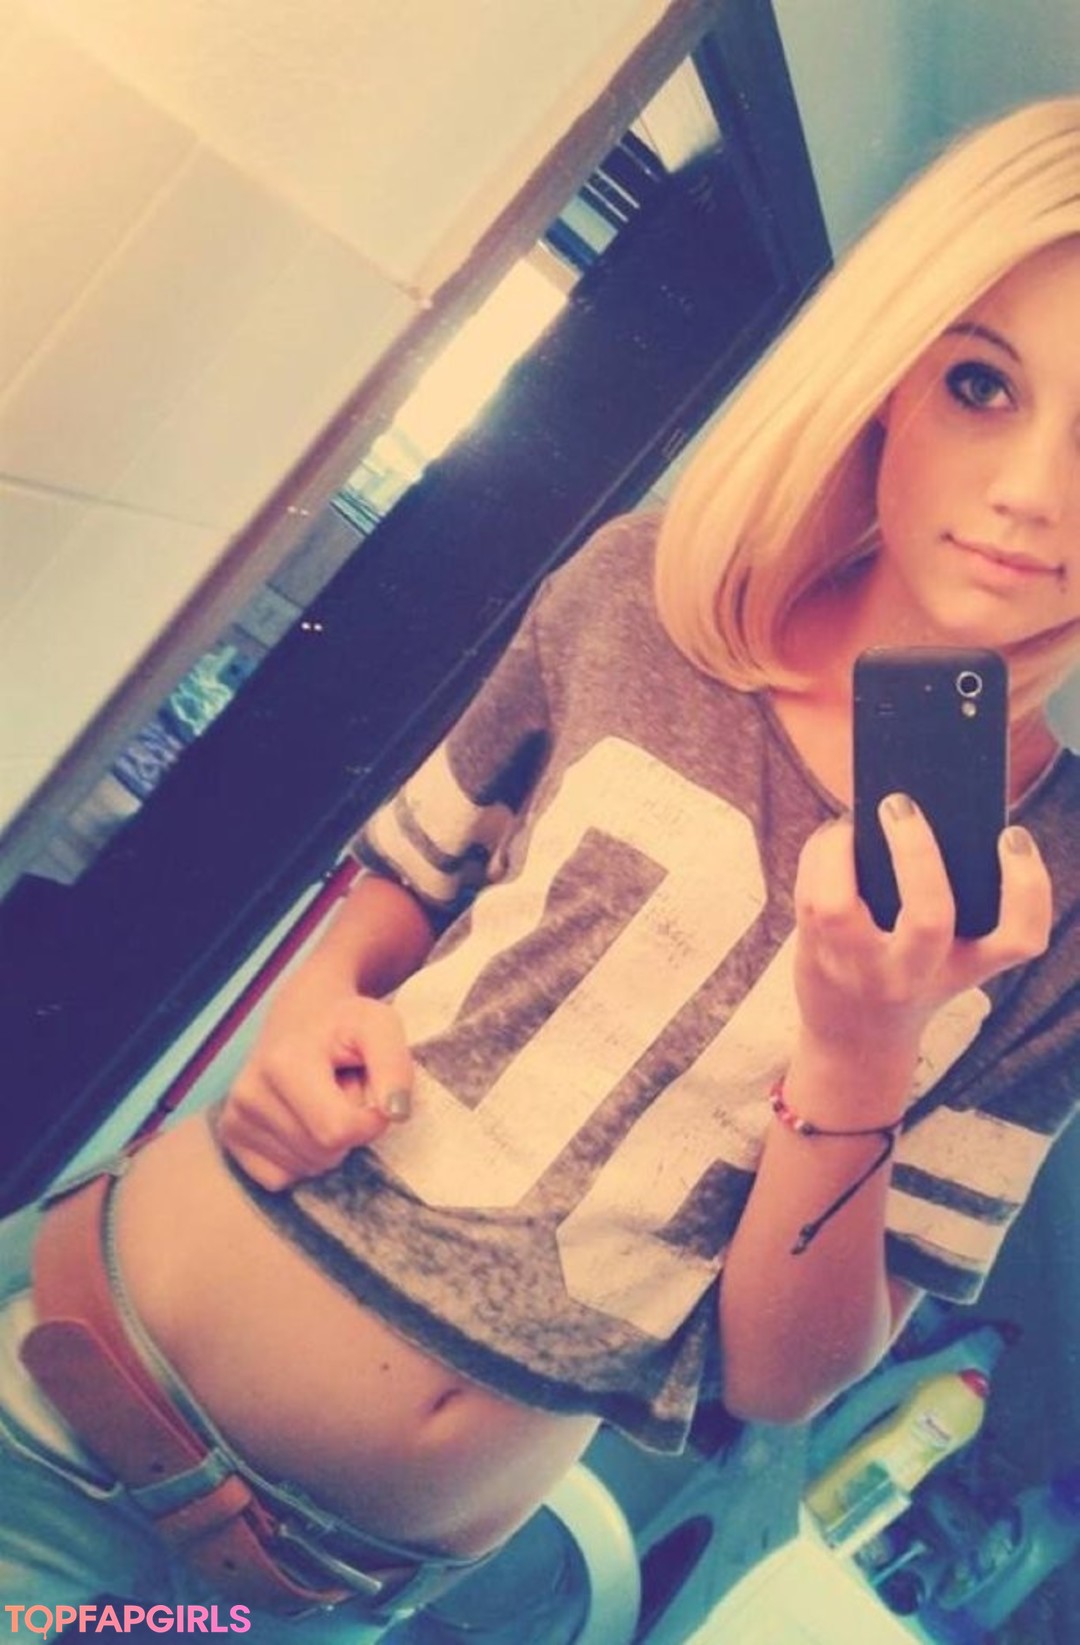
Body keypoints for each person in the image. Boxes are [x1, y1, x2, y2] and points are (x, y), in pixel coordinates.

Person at [2, 95, 1079, 1643]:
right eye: (982, 382)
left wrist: (862, 1044)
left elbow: (783, 1378)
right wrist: (313, 1006)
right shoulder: (647, 591)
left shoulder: (1061, 899)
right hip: (56, 1396)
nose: (1032, 490)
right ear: (894, 377)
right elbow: (401, 891)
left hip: (315, 1594)